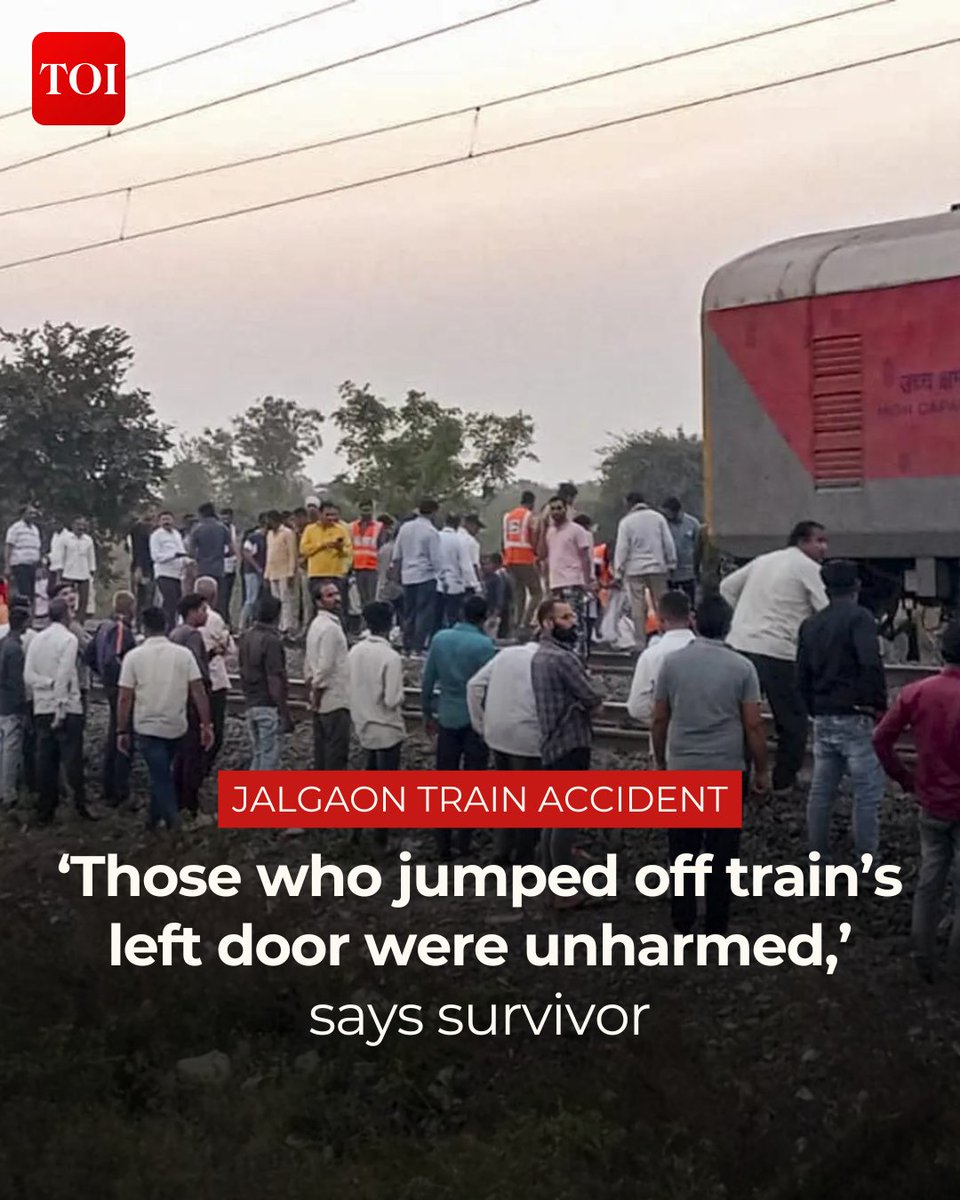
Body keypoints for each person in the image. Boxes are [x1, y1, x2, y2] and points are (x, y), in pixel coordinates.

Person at [652, 595, 769, 935]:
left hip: (683, 768)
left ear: (694, 622)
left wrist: (661, 762)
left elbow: (659, 718)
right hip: (726, 769)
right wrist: (761, 770)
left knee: (683, 851)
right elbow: (753, 725)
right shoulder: (742, 667)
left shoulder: (672, 664)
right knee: (721, 853)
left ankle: (682, 920)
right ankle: (717, 923)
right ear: (728, 627)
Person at [873, 622, 960, 982]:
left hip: (932, 802)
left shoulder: (917, 692)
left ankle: (923, 952)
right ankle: (956, 964)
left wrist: (905, 779)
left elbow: (880, 740)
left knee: (930, 878)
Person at [721, 520, 829, 795]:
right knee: (792, 720)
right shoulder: (808, 568)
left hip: (740, 646)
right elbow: (826, 609)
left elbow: (727, 587)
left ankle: (740, 786)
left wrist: (743, 618)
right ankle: (783, 782)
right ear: (802, 542)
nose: (823, 547)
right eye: (819, 541)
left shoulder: (763, 560)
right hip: (779, 652)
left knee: (741, 719)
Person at [797, 560, 887, 863]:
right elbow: (870, 664)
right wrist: (878, 706)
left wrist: (813, 707)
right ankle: (866, 861)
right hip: (856, 716)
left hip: (823, 716)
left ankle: (818, 858)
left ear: (825, 588)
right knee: (866, 793)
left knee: (821, 792)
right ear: (857, 587)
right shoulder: (860, 618)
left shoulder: (810, 624)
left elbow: (801, 673)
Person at [117, 606, 212, 832]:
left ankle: (173, 824)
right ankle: (154, 821)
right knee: (162, 773)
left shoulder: (133, 657)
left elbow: (124, 698)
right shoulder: (183, 655)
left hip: (147, 727)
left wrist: (121, 730)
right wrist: (206, 724)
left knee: (161, 776)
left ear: (144, 627)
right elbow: (199, 691)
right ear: (166, 625)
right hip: (176, 725)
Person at [531, 597, 603, 895]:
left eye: (571, 615)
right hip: (571, 743)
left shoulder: (539, 656)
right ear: (548, 623)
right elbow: (592, 698)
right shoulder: (564, 659)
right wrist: (594, 696)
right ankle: (563, 889)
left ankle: (551, 880)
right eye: (565, 617)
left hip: (550, 743)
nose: (572, 621)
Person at [422, 594, 497, 859]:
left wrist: (427, 713)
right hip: (475, 721)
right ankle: (464, 841)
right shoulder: (485, 646)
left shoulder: (441, 639)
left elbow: (428, 680)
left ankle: (442, 842)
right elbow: (489, 689)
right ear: (484, 617)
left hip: (447, 717)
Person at [467, 632, 541, 867]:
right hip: (527, 738)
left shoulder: (506, 654)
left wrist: (480, 724)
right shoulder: (546, 660)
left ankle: (500, 853)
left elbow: (474, 685)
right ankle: (524, 860)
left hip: (497, 735)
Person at [23, 596, 92, 825]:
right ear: (66, 615)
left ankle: (46, 810)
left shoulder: (37, 639)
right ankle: (80, 806)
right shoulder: (69, 639)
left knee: (46, 760)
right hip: (66, 707)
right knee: (72, 761)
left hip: (41, 707)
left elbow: (28, 676)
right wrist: (60, 704)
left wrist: (45, 683)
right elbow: (64, 675)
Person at [88, 590, 137, 807]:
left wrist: (100, 676)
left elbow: (89, 655)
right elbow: (114, 658)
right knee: (123, 733)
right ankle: (119, 789)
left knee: (113, 733)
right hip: (120, 689)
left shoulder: (102, 627)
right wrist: (124, 681)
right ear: (130, 609)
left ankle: (109, 786)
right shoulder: (119, 628)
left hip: (110, 687)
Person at [612, 492, 677, 652]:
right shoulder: (658, 518)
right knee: (661, 604)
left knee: (638, 607)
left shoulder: (626, 522)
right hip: (657, 567)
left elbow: (622, 548)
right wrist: (671, 563)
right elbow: (668, 541)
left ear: (629, 504)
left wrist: (618, 572)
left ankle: (640, 642)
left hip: (635, 570)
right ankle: (665, 637)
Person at [169, 592, 212, 819]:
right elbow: (196, 670)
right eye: (203, 610)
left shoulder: (175, 633)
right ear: (193, 612)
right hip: (191, 703)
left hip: (175, 699)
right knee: (192, 754)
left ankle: (178, 800)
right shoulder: (193, 635)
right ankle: (190, 804)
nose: (206, 614)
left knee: (180, 756)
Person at [349, 600, 406, 771]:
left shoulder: (354, 652)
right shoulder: (391, 657)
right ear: (391, 624)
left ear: (366, 623)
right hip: (387, 728)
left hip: (363, 723)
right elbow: (392, 700)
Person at [238, 592, 292, 770]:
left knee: (260, 753)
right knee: (269, 758)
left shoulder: (246, 637)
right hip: (267, 706)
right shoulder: (271, 641)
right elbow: (274, 679)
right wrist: (283, 711)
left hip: (251, 703)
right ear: (277, 615)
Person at [626, 589, 696, 726]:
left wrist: (661, 718)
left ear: (660, 620)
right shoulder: (709, 653)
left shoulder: (651, 655)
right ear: (690, 618)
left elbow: (636, 707)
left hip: (666, 735)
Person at [305, 580, 351, 770]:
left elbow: (309, 663)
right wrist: (316, 694)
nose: (337, 599)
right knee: (335, 754)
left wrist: (312, 692)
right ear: (318, 601)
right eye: (330, 596)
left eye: (337, 594)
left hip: (323, 702)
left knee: (322, 752)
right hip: (334, 700)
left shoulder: (316, 624)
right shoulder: (330, 628)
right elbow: (325, 667)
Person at [543, 496, 594, 662]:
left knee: (574, 620)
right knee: (558, 621)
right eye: (553, 509)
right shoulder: (550, 532)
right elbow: (546, 555)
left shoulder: (576, 530)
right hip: (555, 582)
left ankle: (580, 658)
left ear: (566, 509)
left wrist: (587, 580)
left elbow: (585, 556)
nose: (556, 512)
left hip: (572, 580)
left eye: (559, 508)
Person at [194, 576, 235, 775]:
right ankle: (201, 771)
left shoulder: (183, 616)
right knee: (215, 732)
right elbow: (229, 649)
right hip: (215, 680)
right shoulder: (215, 618)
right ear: (214, 596)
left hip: (194, 681)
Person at [391, 498, 441, 656]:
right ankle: (417, 648)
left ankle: (406, 646)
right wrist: (442, 578)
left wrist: (396, 576)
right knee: (424, 613)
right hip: (425, 576)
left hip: (408, 576)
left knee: (409, 612)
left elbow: (397, 554)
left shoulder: (405, 528)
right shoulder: (431, 532)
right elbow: (436, 559)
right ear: (434, 512)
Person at [0, 605, 29, 809]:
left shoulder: (3, 643)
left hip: (1, 701)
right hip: (11, 704)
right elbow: (17, 681)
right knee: (11, 749)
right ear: (25, 623)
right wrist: (24, 706)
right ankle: (8, 792)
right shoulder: (15, 649)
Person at [300, 500, 354, 607]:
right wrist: (322, 545)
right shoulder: (310, 529)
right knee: (317, 606)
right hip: (316, 575)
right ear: (320, 514)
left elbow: (348, 552)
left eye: (333, 515)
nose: (331, 518)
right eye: (327, 515)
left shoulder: (341, 530)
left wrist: (339, 548)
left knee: (338, 606)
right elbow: (303, 549)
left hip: (335, 575)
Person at [502, 490, 542, 632]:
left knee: (519, 593)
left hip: (510, 559)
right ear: (532, 503)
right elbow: (534, 538)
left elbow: (504, 539)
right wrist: (538, 554)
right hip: (525, 558)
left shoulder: (508, 516)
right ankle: (525, 624)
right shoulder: (530, 517)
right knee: (537, 592)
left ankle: (516, 623)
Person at [51, 517, 96, 618]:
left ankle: (80, 620)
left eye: (83, 525)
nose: (81, 527)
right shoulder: (66, 538)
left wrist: (92, 569)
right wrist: (60, 570)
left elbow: (91, 556)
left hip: (84, 572)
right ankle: (65, 617)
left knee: (83, 599)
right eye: (78, 525)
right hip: (69, 572)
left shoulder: (88, 540)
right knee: (66, 598)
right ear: (73, 526)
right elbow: (61, 555)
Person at [150, 510, 189, 631]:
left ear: (173, 520)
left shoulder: (177, 534)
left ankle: (175, 627)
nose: (166, 522)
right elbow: (155, 557)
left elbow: (182, 552)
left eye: (168, 519)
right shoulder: (156, 536)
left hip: (177, 575)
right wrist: (173, 555)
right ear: (159, 522)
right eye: (163, 520)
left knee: (178, 604)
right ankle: (167, 630)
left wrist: (187, 561)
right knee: (169, 603)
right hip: (164, 573)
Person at [263, 510, 298, 636]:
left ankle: (286, 626)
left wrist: (291, 573)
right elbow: (269, 555)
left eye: (270, 521)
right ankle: (277, 625)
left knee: (286, 600)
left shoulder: (287, 533)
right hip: (273, 571)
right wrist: (266, 574)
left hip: (284, 571)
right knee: (275, 600)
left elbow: (292, 554)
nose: (268, 524)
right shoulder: (269, 535)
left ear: (276, 521)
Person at [662, 497, 701, 603]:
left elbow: (699, 545)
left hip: (688, 571)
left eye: (668, 513)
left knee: (690, 601)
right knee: (672, 602)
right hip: (670, 573)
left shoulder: (692, 523)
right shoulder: (663, 524)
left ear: (676, 511)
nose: (666, 515)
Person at [436, 514, 471, 631]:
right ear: (457, 524)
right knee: (453, 618)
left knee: (436, 618)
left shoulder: (435, 537)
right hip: (455, 586)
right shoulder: (459, 540)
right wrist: (475, 585)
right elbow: (466, 566)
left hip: (436, 584)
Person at [4, 504, 42, 610]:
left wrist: (39, 567)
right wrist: (7, 566)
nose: (33, 516)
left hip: (32, 565)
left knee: (32, 593)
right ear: (23, 514)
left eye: (34, 513)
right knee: (24, 592)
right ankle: (21, 617)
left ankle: (31, 618)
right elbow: (9, 547)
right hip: (20, 564)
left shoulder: (35, 529)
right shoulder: (15, 528)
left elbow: (37, 548)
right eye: (30, 513)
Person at [186, 502, 230, 593]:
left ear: (201, 514)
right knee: (218, 597)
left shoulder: (197, 529)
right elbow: (232, 549)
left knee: (202, 597)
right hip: (219, 569)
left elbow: (191, 552)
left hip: (202, 569)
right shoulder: (223, 528)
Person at [350, 500, 384, 610]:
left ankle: (370, 623)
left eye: (368, 510)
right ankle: (363, 623)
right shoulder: (352, 526)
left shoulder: (379, 526)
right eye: (363, 510)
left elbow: (381, 546)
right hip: (357, 567)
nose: (366, 513)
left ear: (372, 510)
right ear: (359, 510)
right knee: (360, 599)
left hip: (372, 568)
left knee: (371, 599)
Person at [127, 508, 156, 627]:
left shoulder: (154, 529)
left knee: (149, 597)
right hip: (144, 567)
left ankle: (143, 624)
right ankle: (140, 624)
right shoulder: (139, 528)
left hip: (152, 566)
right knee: (143, 597)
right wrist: (139, 567)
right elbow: (138, 550)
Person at [240, 515, 268, 629]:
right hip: (252, 572)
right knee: (251, 599)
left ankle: (253, 622)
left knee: (258, 599)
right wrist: (257, 567)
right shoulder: (253, 537)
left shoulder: (266, 538)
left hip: (262, 572)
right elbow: (246, 552)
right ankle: (242, 625)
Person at [481, 553, 513, 641]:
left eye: (488, 564)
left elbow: (500, 596)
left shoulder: (498, 578)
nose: (484, 567)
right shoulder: (486, 578)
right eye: (483, 564)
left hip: (497, 612)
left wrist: (496, 612)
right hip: (489, 611)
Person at [220, 507, 240, 626]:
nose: (225, 520)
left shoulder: (233, 529)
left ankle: (228, 619)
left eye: (227, 518)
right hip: (221, 564)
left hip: (231, 565)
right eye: (223, 518)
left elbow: (235, 545)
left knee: (228, 596)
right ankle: (225, 620)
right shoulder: (219, 529)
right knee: (222, 595)